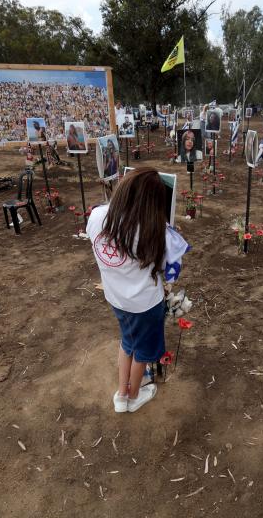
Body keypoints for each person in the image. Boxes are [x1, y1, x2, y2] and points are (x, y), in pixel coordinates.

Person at [86, 168, 189, 413]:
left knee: (127, 341)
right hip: (145, 304)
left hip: (116, 298)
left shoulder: (97, 215)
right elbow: (171, 270)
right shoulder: (155, 231)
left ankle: (122, 393)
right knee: (143, 351)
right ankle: (133, 396)